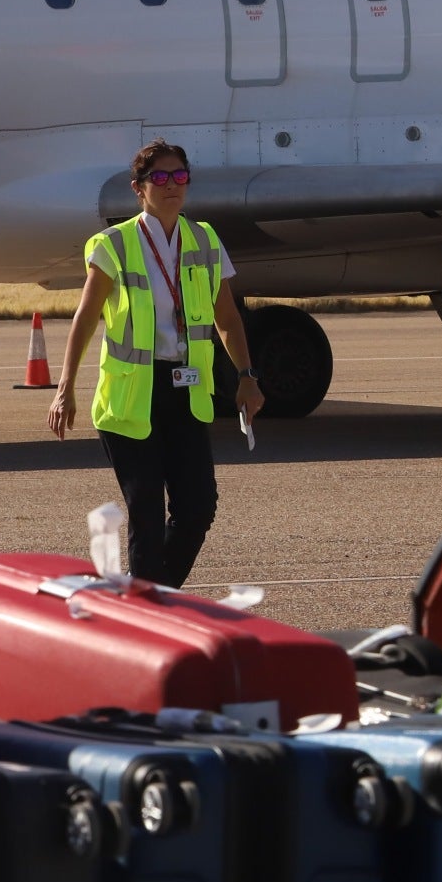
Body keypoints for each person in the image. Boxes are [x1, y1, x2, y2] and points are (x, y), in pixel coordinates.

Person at [49, 140, 266, 588]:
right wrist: (64, 387)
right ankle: (149, 608)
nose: (172, 186)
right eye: (160, 178)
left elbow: (226, 318)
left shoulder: (205, 239)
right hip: (131, 397)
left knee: (198, 507)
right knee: (145, 508)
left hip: (186, 390)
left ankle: (152, 597)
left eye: (180, 176)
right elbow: (86, 318)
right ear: (139, 188)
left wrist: (247, 377)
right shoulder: (115, 244)